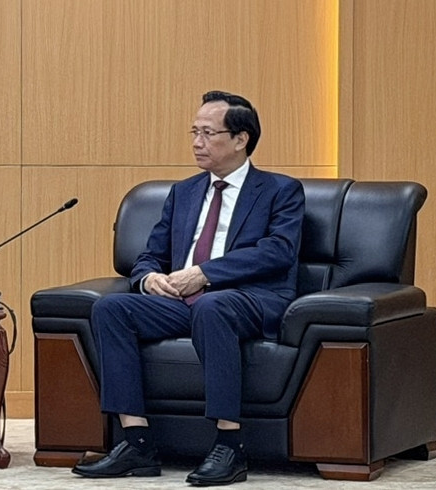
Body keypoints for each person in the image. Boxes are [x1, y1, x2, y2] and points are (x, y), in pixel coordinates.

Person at [73, 91, 304, 486]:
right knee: (111, 309)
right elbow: (150, 254)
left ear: (240, 139)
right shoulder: (184, 192)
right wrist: (148, 279)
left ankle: (229, 446)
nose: (197, 141)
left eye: (208, 133)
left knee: (212, 306)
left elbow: (278, 252)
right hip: (182, 301)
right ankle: (136, 441)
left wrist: (204, 273)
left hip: (249, 300)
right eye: (194, 132)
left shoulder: (280, 190)